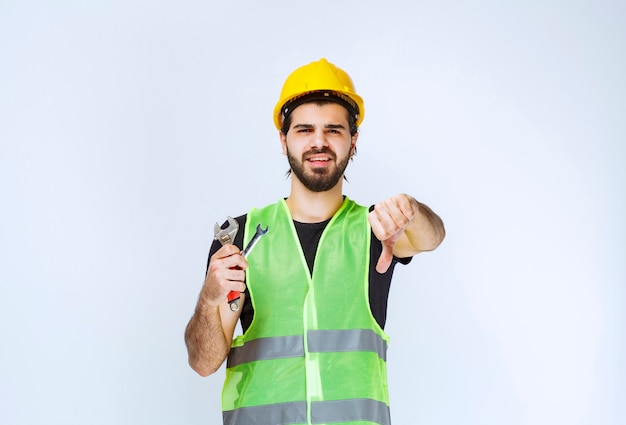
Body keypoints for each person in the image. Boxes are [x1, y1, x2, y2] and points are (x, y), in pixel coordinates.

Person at [185, 58, 445, 425]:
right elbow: (203, 362)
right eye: (305, 129)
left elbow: (432, 237)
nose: (319, 141)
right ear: (283, 139)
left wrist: (411, 211)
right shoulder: (239, 240)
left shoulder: (377, 230)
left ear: (353, 141)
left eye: (334, 130)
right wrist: (211, 297)